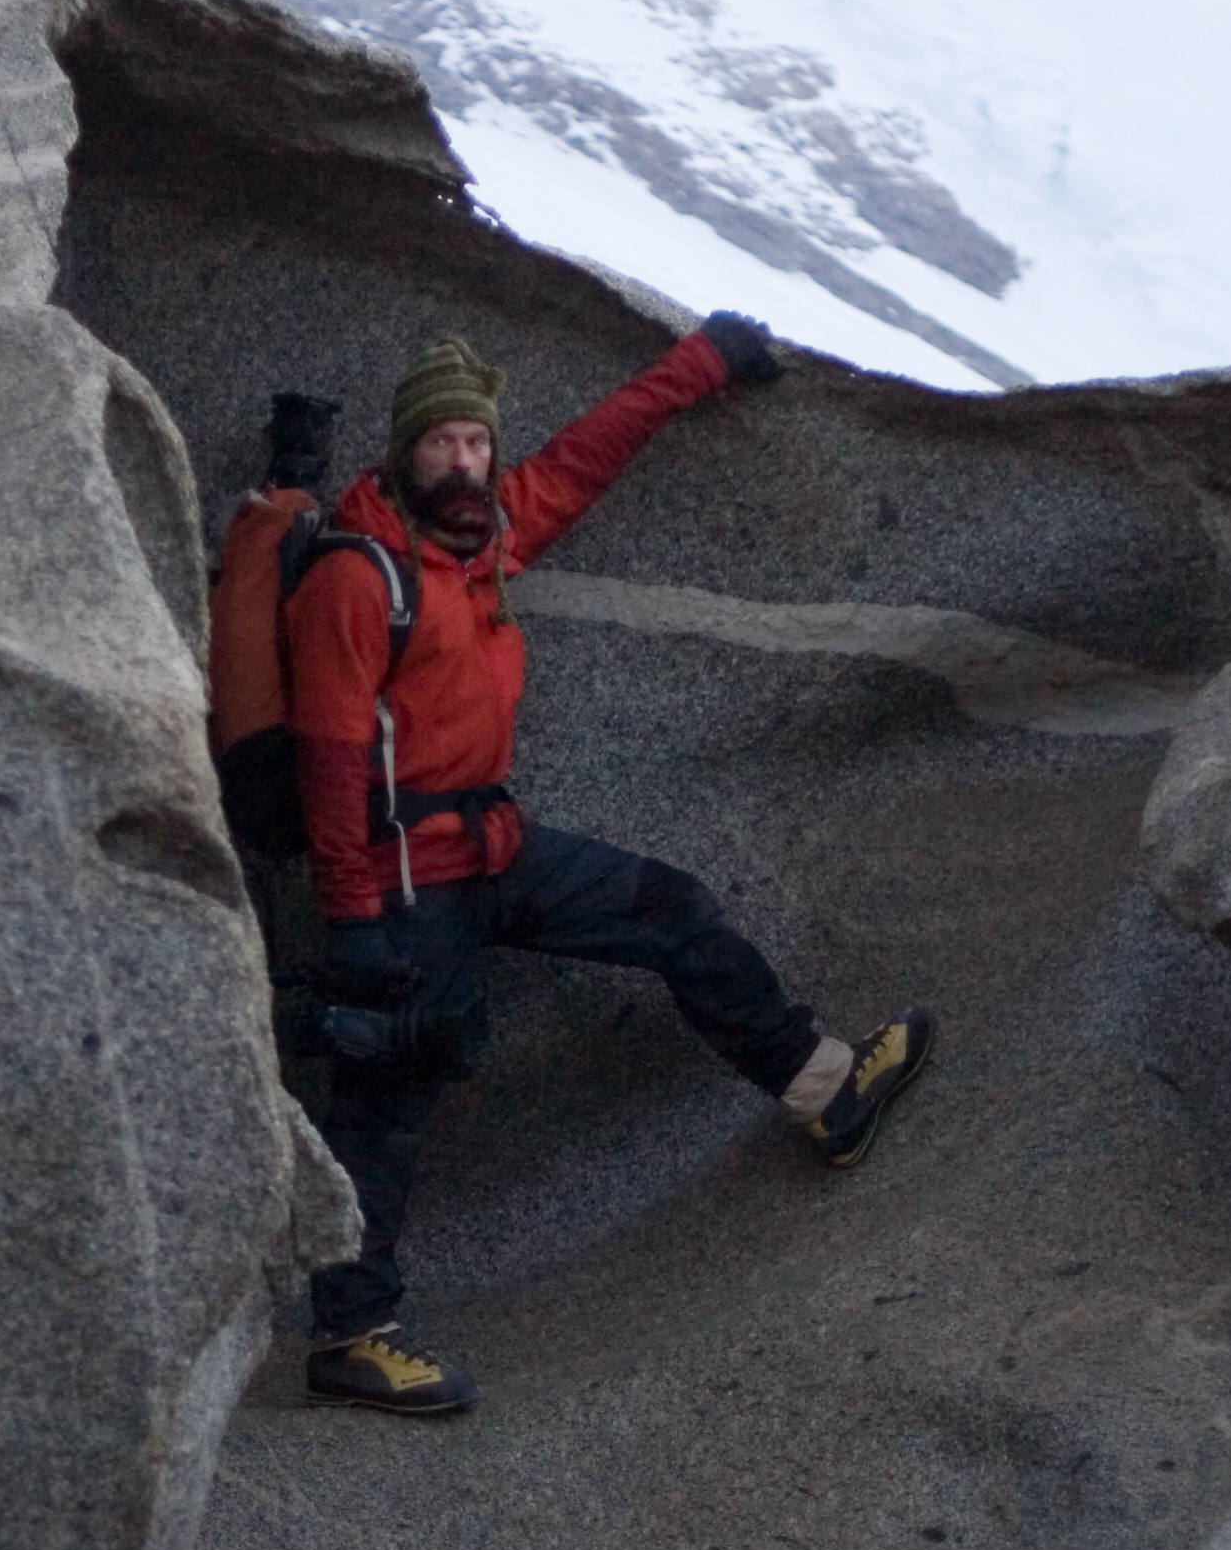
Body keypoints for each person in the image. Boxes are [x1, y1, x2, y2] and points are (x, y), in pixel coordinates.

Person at [288, 316, 934, 1415]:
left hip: (493, 847)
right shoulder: (362, 578)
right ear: (405, 453)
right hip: (402, 877)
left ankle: (824, 1087)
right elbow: (332, 757)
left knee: (671, 910)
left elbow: (585, 458)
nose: (461, 462)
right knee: (387, 1091)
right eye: (439, 444)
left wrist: (699, 366)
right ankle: (351, 1335)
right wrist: (350, 916)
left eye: (475, 443)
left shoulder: (482, 543)